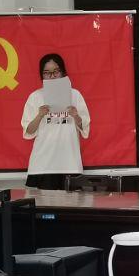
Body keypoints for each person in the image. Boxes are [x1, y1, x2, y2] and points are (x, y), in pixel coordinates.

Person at [21, 53, 90, 190]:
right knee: (44, 203)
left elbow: (84, 128)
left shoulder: (75, 95)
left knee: (71, 202)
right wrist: (40, 115)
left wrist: (76, 116)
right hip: (43, 164)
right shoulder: (35, 97)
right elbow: (28, 131)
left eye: (56, 71)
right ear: (42, 75)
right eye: (47, 73)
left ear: (63, 72)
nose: (52, 76)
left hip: (69, 162)